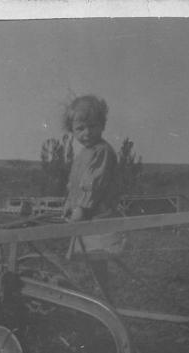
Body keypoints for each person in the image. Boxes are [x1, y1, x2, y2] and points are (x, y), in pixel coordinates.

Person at [61, 95, 125, 300]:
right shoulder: (83, 154)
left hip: (98, 215)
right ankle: (99, 298)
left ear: (102, 125)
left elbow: (92, 186)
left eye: (92, 126)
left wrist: (80, 209)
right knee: (92, 263)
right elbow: (75, 184)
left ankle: (103, 301)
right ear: (72, 130)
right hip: (86, 214)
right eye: (80, 128)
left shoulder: (102, 152)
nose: (87, 133)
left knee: (97, 260)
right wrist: (69, 204)